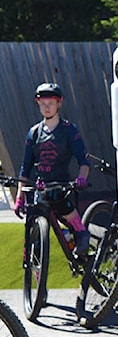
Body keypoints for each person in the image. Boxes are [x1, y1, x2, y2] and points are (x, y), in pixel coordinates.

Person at [14, 82, 92, 254]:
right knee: (32, 236)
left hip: (60, 187)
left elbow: (84, 160)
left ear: (59, 103)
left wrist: (82, 178)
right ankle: (36, 271)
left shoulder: (69, 130)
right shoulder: (33, 133)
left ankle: (80, 232)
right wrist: (19, 197)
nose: (46, 107)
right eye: (42, 103)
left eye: (50, 103)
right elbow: (25, 169)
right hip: (40, 189)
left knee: (59, 200)